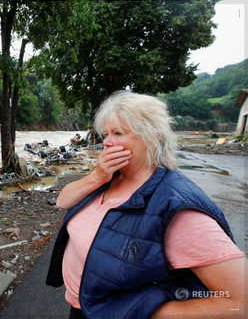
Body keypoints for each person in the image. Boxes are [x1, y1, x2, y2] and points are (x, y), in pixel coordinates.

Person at [46, 91, 247, 319]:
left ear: (153, 137)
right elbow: (62, 201)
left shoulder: (177, 208)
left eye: (118, 133)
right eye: (106, 134)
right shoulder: (110, 176)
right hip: (85, 306)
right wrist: (97, 177)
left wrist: (139, 313)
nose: (107, 142)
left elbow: (241, 302)